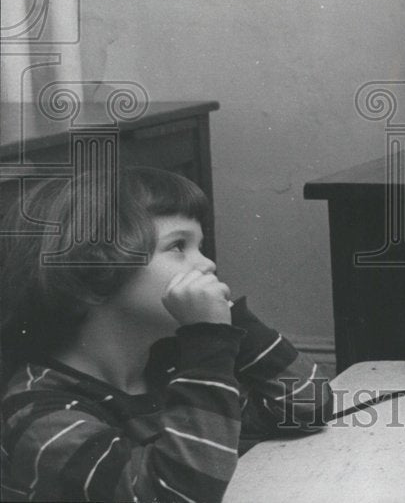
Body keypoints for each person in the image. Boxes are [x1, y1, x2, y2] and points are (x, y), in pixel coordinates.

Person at [0, 167, 333, 503]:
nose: (207, 264)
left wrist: (231, 320)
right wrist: (209, 338)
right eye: (178, 246)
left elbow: (307, 405)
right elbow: (174, 495)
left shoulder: (168, 364)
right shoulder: (41, 413)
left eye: (200, 247)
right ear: (92, 272)